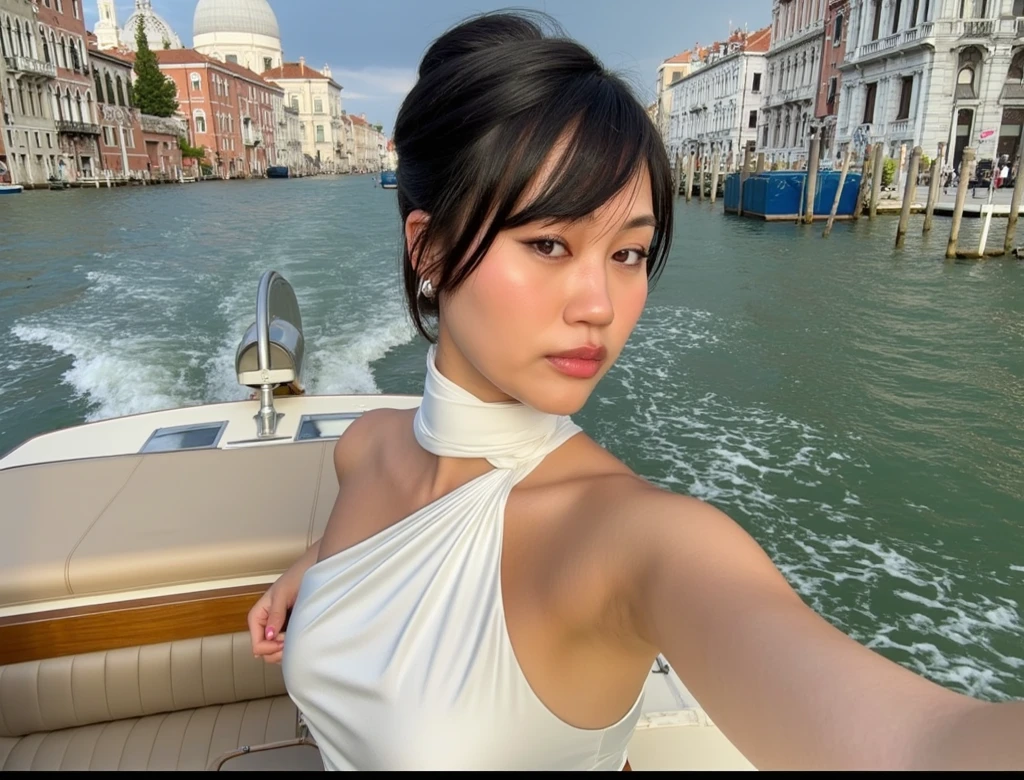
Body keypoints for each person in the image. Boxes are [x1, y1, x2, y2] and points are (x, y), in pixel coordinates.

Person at [248, 11, 1024, 772]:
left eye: (629, 253)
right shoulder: (365, 448)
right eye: (549, 243)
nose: (601, 305)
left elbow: (924, 745)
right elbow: (387, 544)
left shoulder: (634, 541)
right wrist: (313, 579)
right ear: (429, 247)